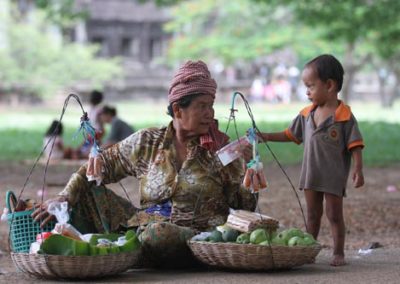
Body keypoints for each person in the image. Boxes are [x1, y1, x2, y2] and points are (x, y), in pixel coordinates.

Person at [32, 60, 256, 268]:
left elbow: (244, 208)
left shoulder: (222, 150)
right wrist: (64, 197)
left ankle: (126, 250)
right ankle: (126, 248)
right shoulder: (147, 142)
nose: (210, 114)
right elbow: (97, 167)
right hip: (144, 228)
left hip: (198, 239)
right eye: (202, 106)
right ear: (178, 109)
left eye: (211, 106)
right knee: (83, 194)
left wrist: (247, 169)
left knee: (160, 234)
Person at [258, 54, 364, 266]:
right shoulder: (307, 114)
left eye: (310, 86)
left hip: (333, 176)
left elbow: (356, 145)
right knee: (313, 214)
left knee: (334, 215)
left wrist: (358, 169)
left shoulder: (344, 116)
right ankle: (309, 249)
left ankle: (338, 252)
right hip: (311, 174)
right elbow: (290, 135)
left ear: (330, 85)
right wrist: (267, 136)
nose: (306, 91)